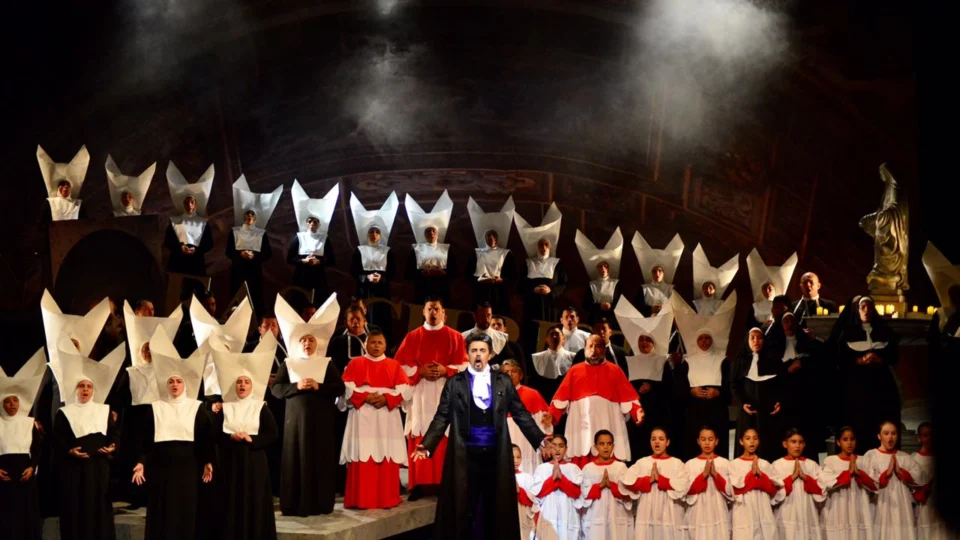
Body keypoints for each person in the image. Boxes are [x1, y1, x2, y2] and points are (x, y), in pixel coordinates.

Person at [411, 333, 550, 540]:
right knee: (464, 508)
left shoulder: (503, 382)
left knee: (495, 508)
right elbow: (442, 417)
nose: (478, 355)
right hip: (465, 456)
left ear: (490, 354)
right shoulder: (454, 383)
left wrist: (539, 439)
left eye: (482, 351)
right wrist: (427, 444)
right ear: (467, 354)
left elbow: (520, 413)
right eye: (474, 350)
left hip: (495, 456)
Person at [131, 329, 214, 540]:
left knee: (185, 513)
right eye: (171, 382)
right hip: (161, 469)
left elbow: (205, 440)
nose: (174, 385)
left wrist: (208, 461)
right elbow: (146, 442)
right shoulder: (155, 408)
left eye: (178, 381)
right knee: (161, 513)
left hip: (187, 469)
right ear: (165, 385)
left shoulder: (196, 408)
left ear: (185, 385)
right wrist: (141, 463)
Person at [272, 293, 346, 516]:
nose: (307, 343)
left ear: (317, 343)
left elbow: (339, 387)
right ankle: (295, 504)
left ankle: (320, 503)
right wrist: (296, 386)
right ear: (298, 343)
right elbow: (276, 389)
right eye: (303, 340)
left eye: (311, 340)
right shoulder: (289, 363)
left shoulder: (326, 364)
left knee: (319, 459)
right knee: (296, 459)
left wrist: (318, 387)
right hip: (295, 423)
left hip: (321, 422)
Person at [394, 297, 468, 501]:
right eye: (429, 309)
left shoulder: (455, 337)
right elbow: (398, 367)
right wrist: (420, 371)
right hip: (421, 392)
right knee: (420, 432)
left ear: (443, 312)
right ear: (423, 312)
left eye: (437, 309)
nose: (433, 313)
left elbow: (464, 366)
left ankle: (445, 483)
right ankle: (419, 483)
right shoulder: (413, 336)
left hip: (446, 390)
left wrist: (446, 370)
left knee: (446, 434)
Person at [208, 333, 279, 540]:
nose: (242, 385)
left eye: (246, 382)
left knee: (254, 502)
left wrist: (252, 440)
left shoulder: (260, 407)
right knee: (232, 502)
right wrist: (231, 438)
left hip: (254, 462)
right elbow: (215, 434)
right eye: (239, 382)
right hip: (230, 463)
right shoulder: (226, 407)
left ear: (252, 386)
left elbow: (272, 434)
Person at [53, 338, 125, 540]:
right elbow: (58, 439)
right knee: (75, 509)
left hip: (98, 467)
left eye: (88, 387)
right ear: (75, 389)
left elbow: (114, 434)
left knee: (98, 508)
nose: (85, 390)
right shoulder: (64, 413)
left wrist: (113, 447)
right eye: (81, 386)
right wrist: (69, 450)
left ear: (94, 390)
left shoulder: (104, 410)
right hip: (74, 469)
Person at [339, 330, 411, 509]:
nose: (376, 346)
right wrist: (365, 397)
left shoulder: (394, 365)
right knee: (362, 455)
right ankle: (361, 499)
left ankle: (386, 498)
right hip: (362, 417)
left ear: (385, 346)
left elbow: (405, 390)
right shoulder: (355, 363)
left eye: (380, 342)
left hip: (387, 418)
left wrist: (387, 399)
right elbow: (346, 387)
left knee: (386, 453)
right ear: (365, 345)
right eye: (372, 342)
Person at [548, 334, 644, 467]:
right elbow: (561, 399)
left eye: (598, 346)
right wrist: (551, 415)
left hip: (608, 420)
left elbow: (628, 397)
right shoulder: (574, 371)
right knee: (581, 452)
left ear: (604, 349)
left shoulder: (615, 370)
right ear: (584, 349)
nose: (593, 350)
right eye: (590, 346)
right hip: (580, 421)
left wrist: (637, 412)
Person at [830, 296, 901, 450]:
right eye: (863, 307)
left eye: (869, 307)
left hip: (881, 383)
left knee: (881, 417)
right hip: (856, 385)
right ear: (857, 309)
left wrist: (880, 359)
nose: (866, 310)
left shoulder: (884, 331)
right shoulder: (847, 332)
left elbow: (894, 355)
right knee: (858, 420)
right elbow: (839, 357)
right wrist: (859, 360)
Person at [614, 297, 675, 459]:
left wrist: (653, 387)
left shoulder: (662, 361)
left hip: (657, 412)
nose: (644, 343)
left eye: (648, 340)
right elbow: (623, 386)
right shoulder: (629, 361)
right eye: (641, 340)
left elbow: (670, 388)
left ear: (654, 343)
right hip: (636, 413)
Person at [0, 359, 46, 540]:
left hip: (25, 475)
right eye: (7, 401)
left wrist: (32, 467)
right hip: (4, 477)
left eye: (15, 400)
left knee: (26, 516)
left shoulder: (29, 423)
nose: (12, 405)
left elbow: (37, 449)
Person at [620, 427, 690, 540]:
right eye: (653, 439)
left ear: (667, 442)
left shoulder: (677, 463)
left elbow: (684, 485)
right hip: (647, 513)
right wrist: (648, 480)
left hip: (670, 513)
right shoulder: (642, 463)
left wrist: (662, 480)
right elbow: (626, 482)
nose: (657, 442)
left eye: (661, 439)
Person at [772, 312, 825, 459]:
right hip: (785, 395)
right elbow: (771, 370)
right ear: (781, 325)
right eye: (786, 321)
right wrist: (787, 370)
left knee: (806, 429)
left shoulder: (806, 341)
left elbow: (819, 362)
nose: (789, 324)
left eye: (792, 321)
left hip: (805, 394)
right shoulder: (775, 345)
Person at [863, 421, 925, 540]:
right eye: (886, 433)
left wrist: (901, 472)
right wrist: (886, 474)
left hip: (902, 507)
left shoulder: (904, 457)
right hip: (881, 505)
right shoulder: (871, 455)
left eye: (893, 433)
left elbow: (918, 477)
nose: (890, 437)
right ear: (879, 436)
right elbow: (868, 482)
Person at [732, 328, 784, 462]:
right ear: (747, 340)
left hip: (768, 411)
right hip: (748, 410)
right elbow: (733, 384)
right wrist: (742, 404)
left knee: (768, 443)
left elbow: (781, 384)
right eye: (752, 338)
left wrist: (780, 401)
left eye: (759, 338)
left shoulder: (773, 359)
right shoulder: (740, 360)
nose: (756, 341)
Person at [350, 192, 400, 329]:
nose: (374, 235)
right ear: (367, 234)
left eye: (377, 232)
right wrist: (367, 277)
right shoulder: (360, 251)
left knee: (382, 318)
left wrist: (382, 278)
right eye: (371, 232)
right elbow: (354, 272)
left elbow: (393, 273)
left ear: (381, 235)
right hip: (364, 290)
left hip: (382, 290)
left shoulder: (387, 251)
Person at [819, 427, 878, 540]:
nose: (849, 442)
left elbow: (874, 484)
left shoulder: (863, 460)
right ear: (838, 442)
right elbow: (826, 482)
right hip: (839, 505)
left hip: (859, 505)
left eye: (852, 439)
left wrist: (859, 473)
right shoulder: (831, 460)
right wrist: (848, 474)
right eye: (845, 439)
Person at [729, 428, 785, 540]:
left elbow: (775, 490)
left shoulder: (765, 464)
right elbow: (733, 491)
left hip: (763, 508)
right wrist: (751, 475)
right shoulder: (734, 464)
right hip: (744, 509)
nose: (752, 441)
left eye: (755, 438)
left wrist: (761, 477)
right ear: (741, 441)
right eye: (748, 438)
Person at [466, 197, 517, 317]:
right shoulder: (476, 253)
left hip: (498, 292)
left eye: (494, 235)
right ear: (484, 238)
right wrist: (479, 279)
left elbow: (512, 276)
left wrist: (502, 280)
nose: (492, 238)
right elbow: (468, 275)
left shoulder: (506, 253)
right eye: (489, 236)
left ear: (498, 237)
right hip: (480, 291)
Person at [288, 181, 339, 300]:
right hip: (302, 275)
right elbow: (289, 259)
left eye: (315, 222)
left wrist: (319, 262)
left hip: (318, 276)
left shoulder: (324, 239)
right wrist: (304, 261)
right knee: (301, 300)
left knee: (318, 300)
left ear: (319, 224)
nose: (312, 224)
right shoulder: (299, 238)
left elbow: (331, 260)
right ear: (306, 223)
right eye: (310, 221)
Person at [772, 428, 826, 540]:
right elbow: (773, 493)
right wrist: (792, 478)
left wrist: (805, 478)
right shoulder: (777, 465)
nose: (797, 446)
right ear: (785, 444)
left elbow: (822, 489)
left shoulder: (811, 465)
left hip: (807, 512)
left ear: (804, 444)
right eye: (793, 442)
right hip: (786, 512)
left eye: (800, 442)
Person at [501, 359, 553, 475]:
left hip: (527, 443)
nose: (510, 374)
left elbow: (543, 424)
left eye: (513, 371)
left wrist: (544, 442)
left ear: (521, 375)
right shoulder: (495, 395)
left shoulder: (532, 394)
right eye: (506, 372)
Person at [580, 430, 634, 540]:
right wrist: (599, 486)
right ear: (595, 447)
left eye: (609, 444)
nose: (605, 447)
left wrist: (612, 485)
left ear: (613, 446)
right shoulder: (588, 468)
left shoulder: (621, 467)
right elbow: (583, 495)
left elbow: (628, 494)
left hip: (617, 516)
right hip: (596, 517)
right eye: (602, 444)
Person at [164, 162, 215, 278]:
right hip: (177, 262)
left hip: (196, 263)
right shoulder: (175, 221)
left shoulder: (203, 223)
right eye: (187, 202)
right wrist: (180, 248)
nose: (189, 205)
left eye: (192, 202)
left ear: (196, 204)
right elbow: (168, 241)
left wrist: (197, 249)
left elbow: (209, 243)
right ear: (183, 204)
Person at [405, 191, 456, 305]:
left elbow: (455, 272)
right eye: (428, 231)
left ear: (438, 233)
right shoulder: (416, 250)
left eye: (433, 230)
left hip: (441, 289)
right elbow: (408, 273)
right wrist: (422, 273)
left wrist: (442, 273)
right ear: (424, 234)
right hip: (423, 289)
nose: (431, 233)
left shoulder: (446, 250)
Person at [683, 427, 734, 540]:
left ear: (716, 441)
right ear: (698, 441)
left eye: (710, 439)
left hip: (719, 510)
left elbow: (730, 491)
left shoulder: (725, 463)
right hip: (697, 511)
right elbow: (687, 491)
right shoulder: (690, 464)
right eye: (703, 439)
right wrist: (703, 475)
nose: (707, 443)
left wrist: (716, 475)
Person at [530, 435, 583, 540]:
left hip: (568, 514)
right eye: (554, 446)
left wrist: (561, 479)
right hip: (548, 513)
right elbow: (538, 494)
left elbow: (576, 493)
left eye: (561, 446)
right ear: (549, 448)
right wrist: (553, 479)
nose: (557, 449)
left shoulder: (573, 468)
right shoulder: (542, 468)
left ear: (566, 449)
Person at [226, 209, 274, 316]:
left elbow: (267, 253)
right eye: (247, 215)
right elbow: (229, 252)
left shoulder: (261, 234)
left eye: (252, 215)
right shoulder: (235, 232)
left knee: (255, 298)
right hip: (238, 271)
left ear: (255, 218)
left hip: (254, 272)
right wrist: (240, 254)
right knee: (237, 298)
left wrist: (255, 256)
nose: (249, 217)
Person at [632, 232, 684, 317]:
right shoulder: (644, 289)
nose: (657, 273)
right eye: (654, 271)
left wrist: (664, 309)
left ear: (664, 273)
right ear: (651, 273)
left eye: (660, 271)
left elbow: (678, 309)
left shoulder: (671, 290)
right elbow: (637, 308)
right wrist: (651, 309)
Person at [911, 423, 948, 540]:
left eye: (931, 435)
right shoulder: (914, 459)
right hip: (924, 505)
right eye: (925, 435)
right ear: (919, 438)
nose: (929, 439)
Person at [746, 249, 799, 329]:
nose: (767, 291)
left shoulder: (783, 306)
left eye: (770, 288)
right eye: (764, 288)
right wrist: (761, 324)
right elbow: (749, 324)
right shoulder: (755, 307)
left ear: (775, 289)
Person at [37, 145, 90, 222]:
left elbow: (85, 223)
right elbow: (43, 223)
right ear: (58, 188)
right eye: (62, 184)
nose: (65, 187)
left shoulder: (78, 205)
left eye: (68, 185)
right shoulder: (50, 203)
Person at [461, 303, 514, 369]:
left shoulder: (500, 338)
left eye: (488, 315)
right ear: (475, 316)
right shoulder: (463, 337)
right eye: (482, 316)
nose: (486, 319)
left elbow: (510, 361)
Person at [529, 325, 574, 402]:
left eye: (557, 334)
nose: (554, 337)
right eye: (551, 334)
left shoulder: (573, 357)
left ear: (563, 339)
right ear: (546, 339)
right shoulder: (535, 358)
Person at [692, 243, 739, 316]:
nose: (708, 290)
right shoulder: (697, 303)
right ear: (702, 289)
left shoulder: (719, 304)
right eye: (706, 287)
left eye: (710, 288)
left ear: (714, 289)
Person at [582, 260, 622, 325]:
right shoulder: (592, 285)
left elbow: (620, 302)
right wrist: (599, 306)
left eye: (605, 266)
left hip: (612, 318)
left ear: (609, 268)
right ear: (597, 269)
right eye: (600, 266)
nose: (603, 268)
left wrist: (611, 306)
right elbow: (585, 305)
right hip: (596, 318)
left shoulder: (615, 283)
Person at [513, 445, 538, 540]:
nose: (516, 460)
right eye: (512, 457)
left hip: (524, 517)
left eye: (518, 457)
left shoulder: (527, 477)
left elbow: (533, 500)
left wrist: (520, 492)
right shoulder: (501, 477)